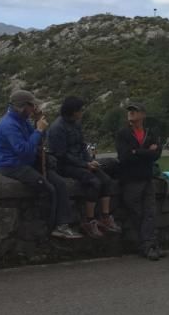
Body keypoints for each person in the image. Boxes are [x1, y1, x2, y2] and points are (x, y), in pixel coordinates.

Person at [0, 90, 82, 240]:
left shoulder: (22, 120)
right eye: (32, 105)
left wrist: (38, 121)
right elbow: (24, 150)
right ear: (24, 106)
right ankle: (49, 229)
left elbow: (38, 138)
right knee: (48, 189)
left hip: (27, 162)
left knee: (59, 183)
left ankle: (63, 225)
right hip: (13, 166)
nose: (34, 108)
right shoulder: (8, 125)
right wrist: (39, 129)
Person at [48, 96, 120, 238]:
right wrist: (85, 164)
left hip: (81, 162)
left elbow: (82, 146)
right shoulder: (57, 128)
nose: (82, 112)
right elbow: (61, 155)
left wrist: (89, 161)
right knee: (94, 182)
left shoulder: (76, 124)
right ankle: (89, 220)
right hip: (65, 166)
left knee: (106, 180)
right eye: (80, 110)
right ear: (73, 111)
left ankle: (105, 217)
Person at [116, 103, 164, 261]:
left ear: (143, 114)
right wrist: (146, 152)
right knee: (138, 213)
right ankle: (148, 245)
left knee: (149, 212)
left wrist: (137, 152)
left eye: (134, 111)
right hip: (131, 180)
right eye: (129, 111)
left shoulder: (150, 132)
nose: (131, 113)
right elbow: (124, 157)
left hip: (147, 177)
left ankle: (148, 246)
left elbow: (157, 154)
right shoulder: (123, 133)